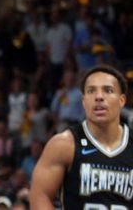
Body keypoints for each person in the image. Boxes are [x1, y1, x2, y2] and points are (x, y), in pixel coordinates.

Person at [30, 65, 133, 210]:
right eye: (91, 91)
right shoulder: (64, 144)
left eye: (108, 90)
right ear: (84, 101)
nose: (99, 97)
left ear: (122, 100)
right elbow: (40, 195)